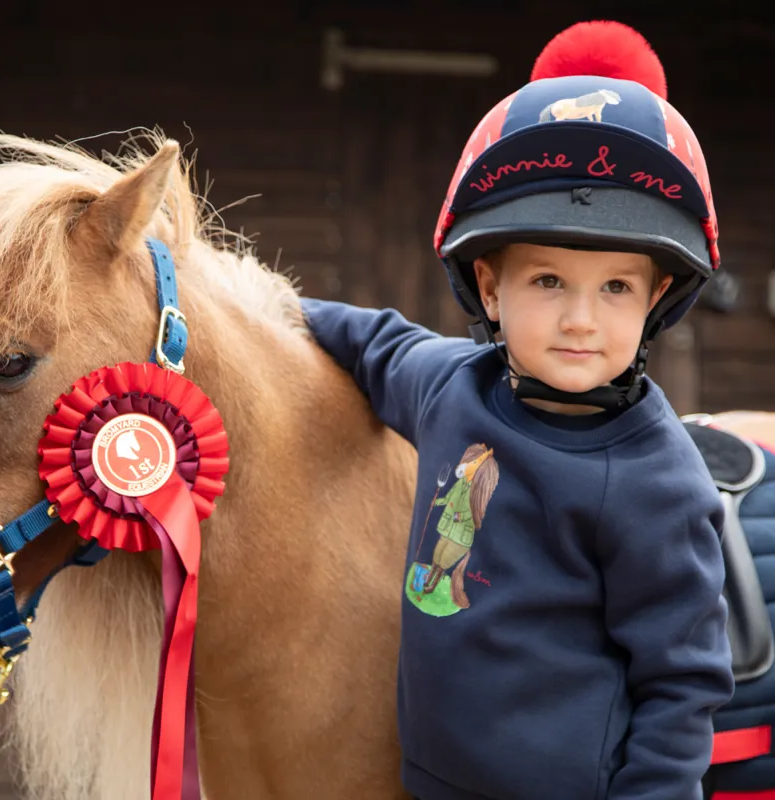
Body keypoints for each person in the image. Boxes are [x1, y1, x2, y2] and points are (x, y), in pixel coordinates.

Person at [302, 20, 733, 800]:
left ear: (655, 298)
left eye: (615, 287)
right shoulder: (449, 386)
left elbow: (680, 690)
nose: (580, 319)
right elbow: (369, 341)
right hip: (427, 783)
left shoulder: (658, 482)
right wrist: (237, 296)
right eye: (547, 283)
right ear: (490, 288)